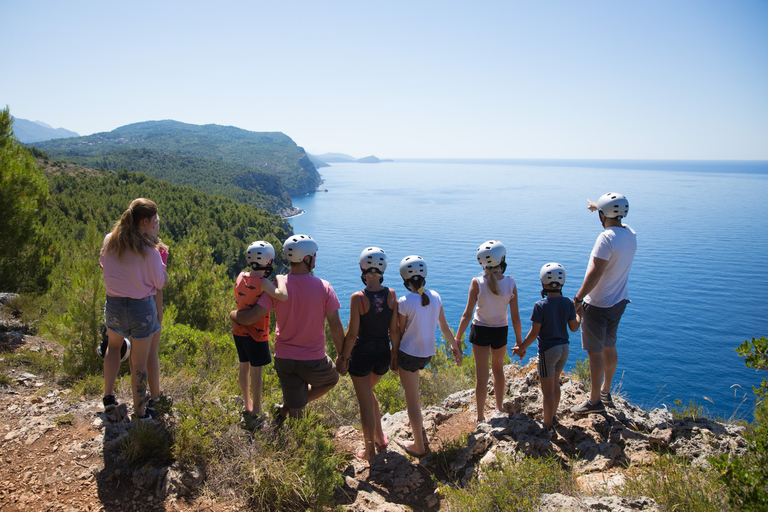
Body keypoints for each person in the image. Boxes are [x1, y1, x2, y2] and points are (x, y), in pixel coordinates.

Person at [229, 234, 344, 420]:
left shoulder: (275, 287)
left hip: (284, 360)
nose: (315, 258)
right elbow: (336, 326)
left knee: (297, 409)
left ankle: (289, 409)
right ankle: (289, 408)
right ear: (306, 258)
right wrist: (342, 356)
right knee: (332, 379)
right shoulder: (324, 287)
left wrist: (233, 314)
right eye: (314, 255)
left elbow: (251, 317)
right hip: (313, 359)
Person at [100, 198, 168, 421]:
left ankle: (109, 397)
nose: (154, 225)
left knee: (113, 347)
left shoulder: (110, 241)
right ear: (145, 221)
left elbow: (104, 264)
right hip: (141, 308)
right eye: (153, 221)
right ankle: (141, 411)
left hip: (115, 304)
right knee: (138, 362)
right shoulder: (149, 251)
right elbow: (159, 282)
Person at [571, 193, 637, 414]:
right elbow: (614, 219)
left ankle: (594, 401)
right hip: (618, 302)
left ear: (602, 214)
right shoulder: (630, 234)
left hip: (597, 304)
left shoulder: (605, 238)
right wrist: (597, 206)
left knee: (595, 352)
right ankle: (606, 392)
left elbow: (595, 272)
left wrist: (578, 298)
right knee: (610, 346)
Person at [394, 255, 462, 457]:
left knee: (412, 401)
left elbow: (400, 331)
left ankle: (418, 445)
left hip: (409, 354)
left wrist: (394, 355)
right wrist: (455, 348)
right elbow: (444, 327)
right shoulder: (436, 296)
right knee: (415, 398)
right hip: (427, 354)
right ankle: (418, 430)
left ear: (405, 280)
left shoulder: (404, 301)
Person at [337, 247, 400, 460]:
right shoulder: (391, 294)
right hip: (383, 354)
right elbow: (394, 330)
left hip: (362, 356)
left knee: (365, 403)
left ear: (362, 269)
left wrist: (343, 358)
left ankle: (370, 450)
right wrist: (395, 356)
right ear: (383, 269)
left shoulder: (358, 298)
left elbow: (353, 333)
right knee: (369, 393)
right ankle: (381, 438)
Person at [456, 240, 522, 423]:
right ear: (502, 259)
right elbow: (516, 317)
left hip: (480, 331)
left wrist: (458, 338)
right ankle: (499, 410)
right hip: (500, 331)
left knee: (481, 375)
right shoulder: (510, 283)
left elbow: (467, 314)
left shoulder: (477, 282)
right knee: (498, 370)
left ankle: (480, 417)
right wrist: (519, 341)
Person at [512, 263, 580, 434]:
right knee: (555, 384)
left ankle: (547, 425)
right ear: (562, 282)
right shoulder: (568, 303)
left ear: (543, 283)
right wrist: (580, 314)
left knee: (547, 390)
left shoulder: (540, 305)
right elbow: (574, 327)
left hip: (548, 351)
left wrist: (521, 348)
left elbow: (534, 333)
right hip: (564, 349)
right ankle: (553, 417)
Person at [232, 240, 288, 424]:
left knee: (243, 366)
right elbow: (282, 295)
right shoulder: (263, 283)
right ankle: (256, 409)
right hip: (257, 334)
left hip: (239, 331)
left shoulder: (241, 276)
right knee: (257, 372)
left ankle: (246, 405)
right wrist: (280, 278)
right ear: (268, 262)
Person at [145, 214, 169, 416]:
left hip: (126, 301)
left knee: (137, 355)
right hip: (151, 303)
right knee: (151, 353)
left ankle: (140, 394)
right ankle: (154, 397)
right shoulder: (159, 251)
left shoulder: (130, 245)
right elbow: (159, 284)